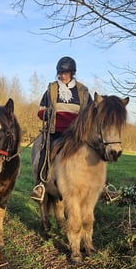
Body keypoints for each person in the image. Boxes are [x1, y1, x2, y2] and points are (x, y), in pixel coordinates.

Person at [30, 56, 91, 201]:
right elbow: (41, 110)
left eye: (65, 73)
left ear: (72, 73)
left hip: (77, 134)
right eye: (60, 72)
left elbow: (90, 112)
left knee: (95, 151)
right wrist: (47, 113)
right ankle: (40, 186)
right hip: (55, 131)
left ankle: (104, 186)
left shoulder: (83, 91)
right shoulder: (51, 89)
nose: (62, 75)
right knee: (45, 152)